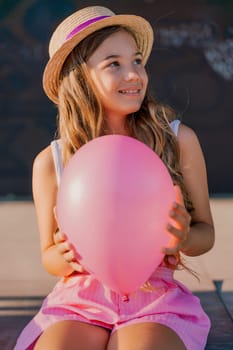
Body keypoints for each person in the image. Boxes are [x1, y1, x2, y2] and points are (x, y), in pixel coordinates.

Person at [14, 5, 215, 350]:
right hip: (78, 303)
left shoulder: (179, 141)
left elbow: (205, 234)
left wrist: (182, 238)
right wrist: (64, 255)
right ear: (79, 78)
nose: (134, 74)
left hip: (155, 301)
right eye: (114, 64)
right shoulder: (52, 162)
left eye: (137, 61)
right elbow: (49, 255)